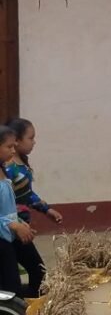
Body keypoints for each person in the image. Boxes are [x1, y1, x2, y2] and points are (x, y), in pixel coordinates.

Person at [5, 118, 51, 297]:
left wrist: (47, 209)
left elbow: (27, 194)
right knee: (37, 272)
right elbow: (6, 205)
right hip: (12, 230)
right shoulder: (8, 169)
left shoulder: (20, 164)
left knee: (25, 274)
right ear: (16, 140)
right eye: (30, 138)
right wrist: (17, 223)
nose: (34, 142)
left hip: (19, 228)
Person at [0, 126, 34, 296]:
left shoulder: (6, 170)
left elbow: (7, 209)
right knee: (10, 287)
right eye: (9, 147)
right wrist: (13, 225)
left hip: (11, 233)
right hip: (3, 239)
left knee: (38, 271)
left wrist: (20, 223)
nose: (13, 151)